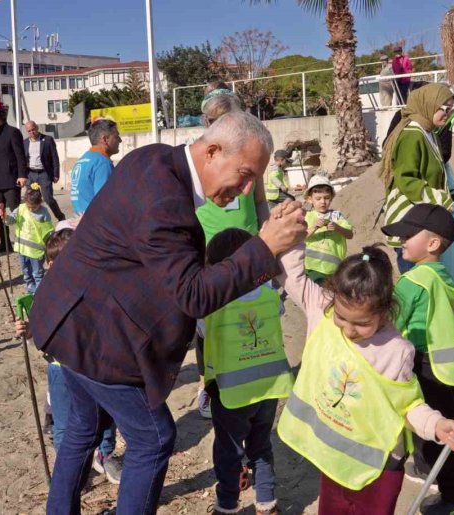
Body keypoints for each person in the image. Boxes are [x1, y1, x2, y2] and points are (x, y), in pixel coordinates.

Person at [28, 111, 307, 515]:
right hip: (95, 335)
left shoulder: (155, 159)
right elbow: (192, 294)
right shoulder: (166, 199)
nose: (247, 190)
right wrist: (264, 248)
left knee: (82, 430)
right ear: (212, 152)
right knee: (154, 437)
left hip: (73, 318)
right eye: (245, 174)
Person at [276, 241, 454, 515]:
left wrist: (436, 424)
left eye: (362, 323)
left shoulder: (397, 351)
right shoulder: (322, 311)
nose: (350, 330)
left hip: (380, 467)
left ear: (385, 311)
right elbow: (291, 274)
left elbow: (408, 406)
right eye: (343, 318)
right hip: (335, 462)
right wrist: (292, 234)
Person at [383, 204, 454, 515]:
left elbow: (389, 322)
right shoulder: (442, 276)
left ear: (433, 243)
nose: (401, 242)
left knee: (439, 439)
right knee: (442, 432)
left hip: (429, 369)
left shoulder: (412, 281)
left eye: (407, 235)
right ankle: (440, 482)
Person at [14, 228, 123, 484]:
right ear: (50, 265)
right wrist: (28, 331)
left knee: (106, 415)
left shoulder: (96, 287)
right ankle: (71, 473)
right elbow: (39, 338)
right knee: (64, 425)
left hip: (94, 366)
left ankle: (105, 455)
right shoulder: (45, 297)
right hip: (60, 368)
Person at [199, 228, 293, 515]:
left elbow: (200, 329)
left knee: (228, 451)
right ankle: (266, 503)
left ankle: (227, 505)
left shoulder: (212, 303)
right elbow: (279, 312)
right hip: (268, 388)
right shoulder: (268, 294)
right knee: (261, 445)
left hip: (231, 392)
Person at [193, 87, 270, 419]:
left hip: (249, 249)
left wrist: (268, 241)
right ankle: (207, 385)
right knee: (208, 324)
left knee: (249, 318)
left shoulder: (250, 162)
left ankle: (251, 378)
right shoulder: (202, 160)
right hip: (211, 254)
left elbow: (261, 201)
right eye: (217, 120)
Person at [380, 83, 454, 274]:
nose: (447, 114)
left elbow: (438, 178)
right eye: (444, 109)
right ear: (428, 104)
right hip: (411, 222)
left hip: (424, 219)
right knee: (417, 282)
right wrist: (443, 201)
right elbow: (407, 180)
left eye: (451, 109)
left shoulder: (428, 133)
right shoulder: (412, 135)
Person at [0, 102, 28, 252]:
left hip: (11, 180)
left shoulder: (13, 132)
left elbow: (20, 155)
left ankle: (23, 240)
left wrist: (22, 174)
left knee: (15, 212)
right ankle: (5, 243)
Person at [303, 175, 354, 284]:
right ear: (310, 199)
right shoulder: (308, 217)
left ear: (331, 197)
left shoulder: (337, 216)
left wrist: (338, 228)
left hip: (334, 268)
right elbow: (300, 237)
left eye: (326, 198)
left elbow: (350, 235)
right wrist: (314, 227)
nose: (323, 202)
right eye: (318, 198)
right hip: (313, 267)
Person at [5, 184, 54, 295]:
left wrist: (50, 247)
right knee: (26, 272)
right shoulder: (21, 208)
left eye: (34, 207)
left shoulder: (44, 212)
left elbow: (48, 231)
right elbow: (10, 221)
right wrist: (5, 217)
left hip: (36, 251)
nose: (31, 209)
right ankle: (30, 288)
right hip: (23, 249)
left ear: (40, 203)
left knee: (37, 272)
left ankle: (39, 292)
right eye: (29, 206)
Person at [69, 119, 120, 216]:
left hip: (80, 221)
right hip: (95, 224)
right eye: (117, 136)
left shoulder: (82, 160)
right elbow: (105, 201)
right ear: (105, 139)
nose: (120, 140)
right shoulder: (102, 163)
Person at [23, 120, 66, 221]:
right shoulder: (24, 143)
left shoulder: (47, 140)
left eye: (33, 130)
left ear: (37, 128)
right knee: (31, 199)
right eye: (29, 131)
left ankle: (60, 217)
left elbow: (54, 157)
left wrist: (56, 174)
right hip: (30, 174)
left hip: (44, 174)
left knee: (48, 198)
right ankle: (35, 220)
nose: (32, 132)